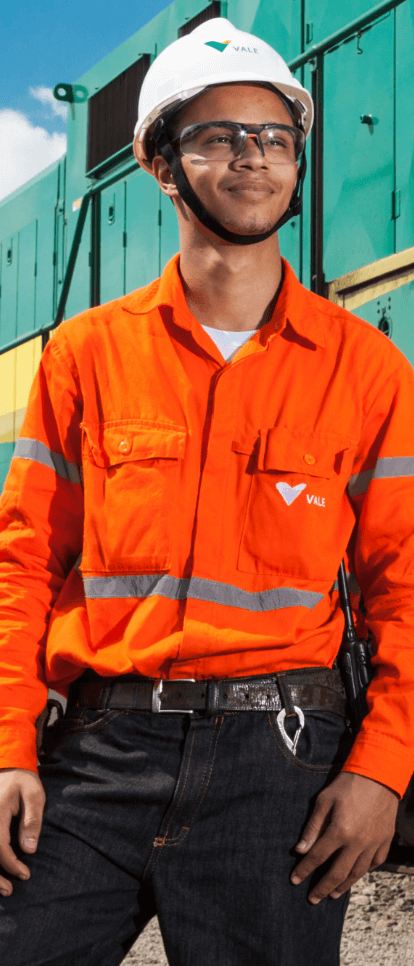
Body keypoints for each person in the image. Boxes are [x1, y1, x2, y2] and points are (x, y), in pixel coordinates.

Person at [0, 17, 413, 966]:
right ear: (158, 163)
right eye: (219, 135)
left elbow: (406, 585)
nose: (253, 158)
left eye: (274, 138)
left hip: (284, 762)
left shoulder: (368, 370)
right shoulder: (85, 355)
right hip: (96, 754)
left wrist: (384, 770)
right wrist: (9, 747)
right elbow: (23, 564)